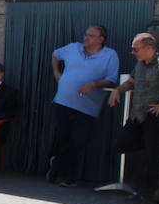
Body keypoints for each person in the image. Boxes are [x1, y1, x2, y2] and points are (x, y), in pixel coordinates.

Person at [48, 25, 120, 187]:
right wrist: (56, 72)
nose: (86, 38)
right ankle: (66, 177)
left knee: (78, 140)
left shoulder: (110, 55)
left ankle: (57, 163)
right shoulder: (73, 48)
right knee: (62, 139)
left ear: (101, 39)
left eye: (91, 36)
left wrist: (94, 84)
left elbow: (111, 79)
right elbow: (55, 55)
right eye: (85, 34)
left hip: (87, 108)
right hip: (62, 102)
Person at [108, 33, 159, 204]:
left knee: (151, 158)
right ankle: (153, 148)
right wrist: (118, 90)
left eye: (136, 49)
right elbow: (131, 82)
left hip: (155, 117)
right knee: (120, 144)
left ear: (149, 48)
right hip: (137, 116)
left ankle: (145, 197)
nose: (133, 52)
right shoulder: (140, 63)